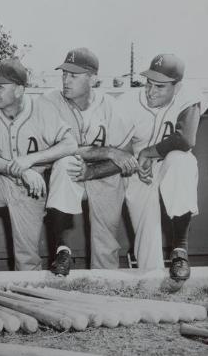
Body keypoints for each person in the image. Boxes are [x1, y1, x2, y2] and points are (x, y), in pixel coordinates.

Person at [0, 58, 78, 279]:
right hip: (0, 180)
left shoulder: (42, 108)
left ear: (19, 90)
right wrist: (19, 168)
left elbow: (70, 144)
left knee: (27, 260)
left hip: (31, 189)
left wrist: (31, 160)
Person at [44, 48, 138, 276]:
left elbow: (125, 158)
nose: (66, 80)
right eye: (64, 74)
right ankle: (61, 250)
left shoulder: (111, 107)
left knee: (105, 241)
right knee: (64, 163)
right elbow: (54, 151)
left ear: (93, 79)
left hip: (102, 176)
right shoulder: (49, 102)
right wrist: (106, 151)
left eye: (74, 76)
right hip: (67, 175)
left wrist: (93, 171)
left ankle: (104, 287)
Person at [121, 54, 205, 281]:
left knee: (181, 159)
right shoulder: (129, 102)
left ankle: (180, 250)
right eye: (149, 83)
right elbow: (120, 147)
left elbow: (186, 139)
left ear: (177, 87)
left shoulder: (188, 93)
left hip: (165, 161)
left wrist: (148, 152)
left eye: (160, 86)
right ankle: (151, 285)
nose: (151, 91)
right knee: (146, 238)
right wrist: (136, 159)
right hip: (139, 168)